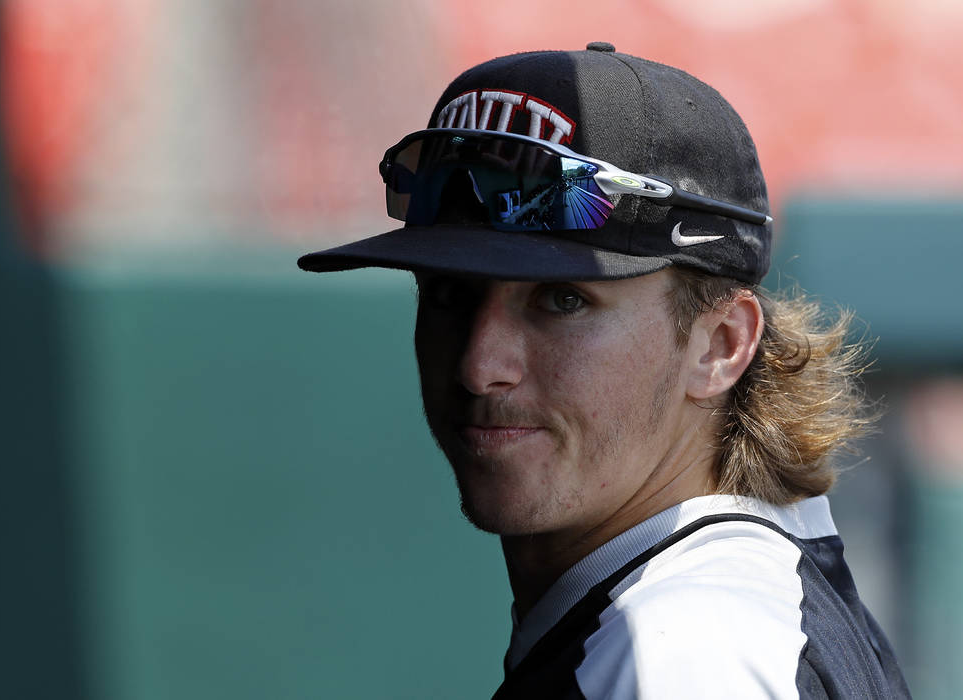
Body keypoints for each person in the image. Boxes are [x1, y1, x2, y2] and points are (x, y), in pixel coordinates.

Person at [299, 43, 910, 699]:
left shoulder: (682, 652)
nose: (480, 367)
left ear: (720, 345)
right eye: (450, 294)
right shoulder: (742, 595)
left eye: (562, 301)